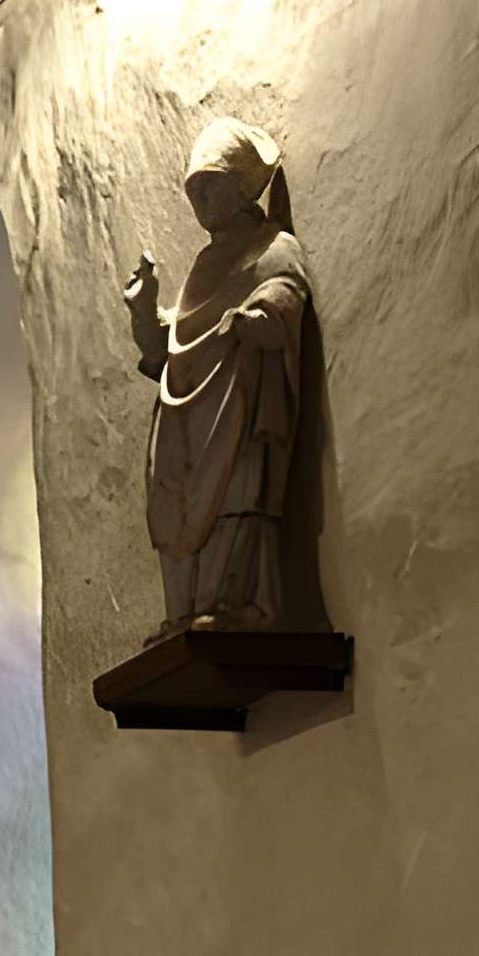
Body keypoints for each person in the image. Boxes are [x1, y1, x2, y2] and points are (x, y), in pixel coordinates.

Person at [124, 119, 310, 635]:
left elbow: (285, 296)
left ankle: (240, 607)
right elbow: (179, 345)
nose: (201, 198)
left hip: (240, 408)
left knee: (237, 498)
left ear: (241, 185)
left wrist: (256, 318)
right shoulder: (205, 264)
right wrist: (145, 315)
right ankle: (183, 612)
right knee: (177, 505)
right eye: (194, 188)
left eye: (211, 183)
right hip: (188, 417)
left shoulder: (273, 247)